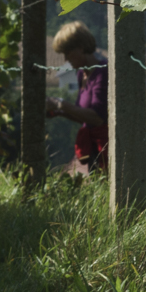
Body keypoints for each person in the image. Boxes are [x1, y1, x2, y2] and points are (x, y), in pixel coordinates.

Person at [44, 20, 107, 175]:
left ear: (81, 48)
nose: (66, 59)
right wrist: (60, 112)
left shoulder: (102, 73)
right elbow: (85, 117)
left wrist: (62, 104)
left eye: (68, 53)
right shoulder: (82, 75)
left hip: (107, 149)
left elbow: (98, 118)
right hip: (93, 151)